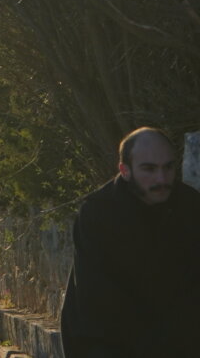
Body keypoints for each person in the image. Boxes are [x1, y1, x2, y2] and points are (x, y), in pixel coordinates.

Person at [60, 127, 200, 357]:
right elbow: (97, 299)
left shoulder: (191, 207)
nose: (161, 179)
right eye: (149, 169)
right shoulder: (98, 213)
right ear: (125, 170)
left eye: (168, 167)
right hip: (111, 342)